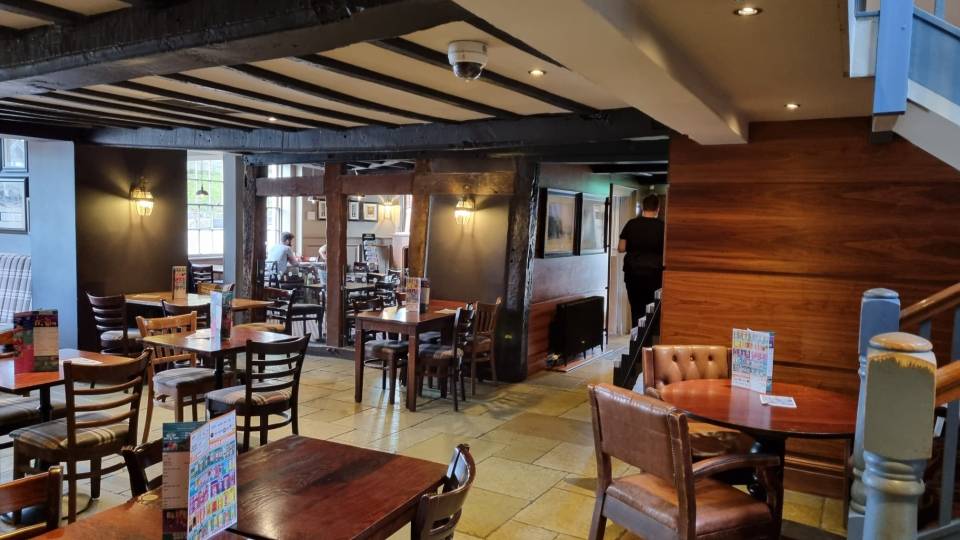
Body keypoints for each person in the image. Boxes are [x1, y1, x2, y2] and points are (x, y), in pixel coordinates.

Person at [618, 194, 665, 329]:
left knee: (636, 310)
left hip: (633, 273)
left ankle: (636, 346)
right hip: (655, 274)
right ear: (658, 208)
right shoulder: (663, 227)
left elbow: (621, 248)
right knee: (653, 311)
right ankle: (649, 345)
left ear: (643, 207)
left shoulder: (631, 224)